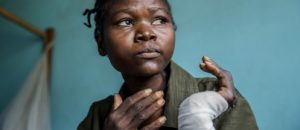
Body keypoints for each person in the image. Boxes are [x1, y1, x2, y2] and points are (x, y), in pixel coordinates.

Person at [78, 0, 258, 130]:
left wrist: (196, 115)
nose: (147, 33)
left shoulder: (219, 98)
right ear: (101, 43)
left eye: (159, 20)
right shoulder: (98, 117)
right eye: (126, 22)